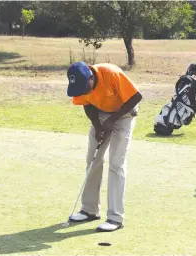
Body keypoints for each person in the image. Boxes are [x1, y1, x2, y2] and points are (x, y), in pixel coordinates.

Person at [66, 61, 142, 232]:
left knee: (116, 163)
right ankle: (89, 209)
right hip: (101, 114)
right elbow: (87, 105)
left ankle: (115, 218)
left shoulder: (111, 74)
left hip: (125, 114)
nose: (83, 92)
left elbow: (136, 97)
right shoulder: (81, 83)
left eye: (85, 88)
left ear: (91, 78)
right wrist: (99, 126)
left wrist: (112, 121)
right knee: (93, 159)